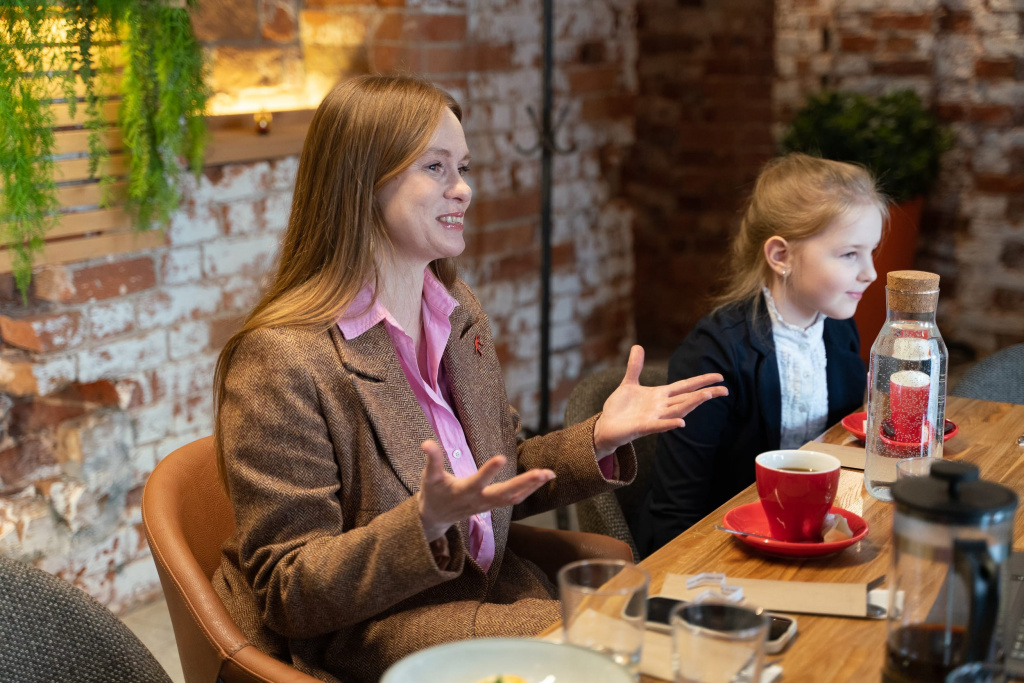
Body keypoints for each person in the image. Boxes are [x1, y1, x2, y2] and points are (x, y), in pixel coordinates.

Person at [210, 74, 728, 683]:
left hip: (492, 597)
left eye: (463, 166)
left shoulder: (458, 314)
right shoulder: (282, 360)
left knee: (685, 636)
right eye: (435, 168)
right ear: (361, 184)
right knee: (646, 655)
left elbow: (494, 482)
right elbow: (287, 590)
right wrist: (423, 526)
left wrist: (598, 439)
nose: (465, 189)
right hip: (375, 633)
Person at [634, 153, 887, 557]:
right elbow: (677, 510)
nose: (870, 272)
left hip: (807, 534)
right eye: (849, 254)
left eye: (871, 251)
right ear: (780, 256)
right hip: (725, 548)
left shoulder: (838, 330)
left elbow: (841, 444)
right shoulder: (712, 354)